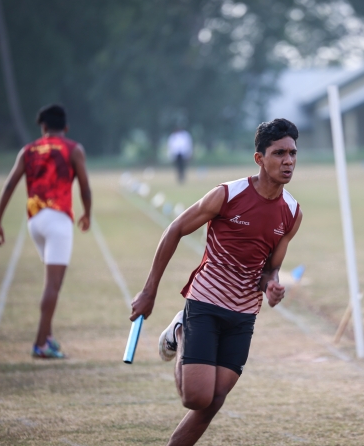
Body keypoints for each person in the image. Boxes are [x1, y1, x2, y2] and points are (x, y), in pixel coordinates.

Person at [130, 118, 303, 446]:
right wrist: (149, 291)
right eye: (279, 153)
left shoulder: (292, 212)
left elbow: (271, 269)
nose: (288, 161)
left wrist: (272, 286)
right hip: (206, 302)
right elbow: (175, 229)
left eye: (293, 153)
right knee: (196, 398)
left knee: (215, 399)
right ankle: (180, 331)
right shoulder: (227, 194)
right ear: (259, 158)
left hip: (244, 314)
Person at [0, 104, 92, 359]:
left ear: (43, 127)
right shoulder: (73, 149)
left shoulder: (28, 150)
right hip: (58, 220)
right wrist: (87, 213)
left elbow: (9, 185)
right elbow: (84, 187)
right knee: (53, 285)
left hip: (34, 221)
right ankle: (40, 344)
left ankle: (47, 335)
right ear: (65, 127)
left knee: (54, 282)